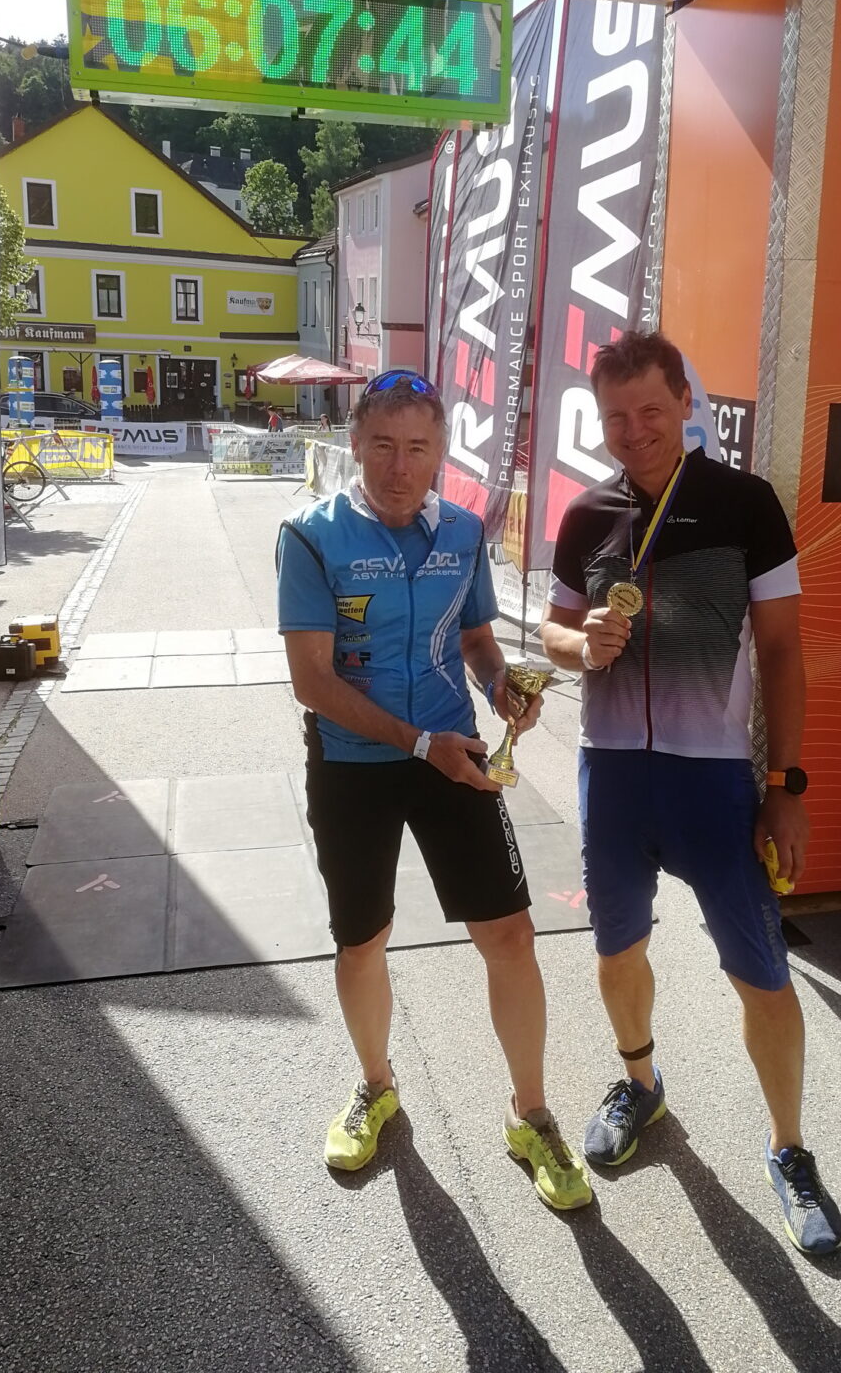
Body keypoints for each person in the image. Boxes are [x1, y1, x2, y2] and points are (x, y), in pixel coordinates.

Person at [540, 330, 841, 1255]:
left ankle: (790, 1149)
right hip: (611, 773)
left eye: (651, 411)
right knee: (617, 951)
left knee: (762, 974)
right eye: (615, 417)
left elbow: (784, 651)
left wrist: (786, 784)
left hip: (712, 779)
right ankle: (641, 1084)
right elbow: (551, 636)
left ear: (685, 404)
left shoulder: (745, 504)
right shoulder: (585, 515)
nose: (634, 431)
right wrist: (581, 642)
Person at [277, 369, 592, 1211]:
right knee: (362, 941)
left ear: (441, 453)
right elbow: (311, 680)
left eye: (418, 448)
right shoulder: (310, 536)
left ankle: (531, 1114)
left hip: (456, 749)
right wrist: (420, 744)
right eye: (382, 445)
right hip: (356, 764)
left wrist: (501, 687)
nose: (399, 466)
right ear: (355, 444)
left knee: (512, 936)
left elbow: (477, 640)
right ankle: (376, 1086)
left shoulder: (461, 530)